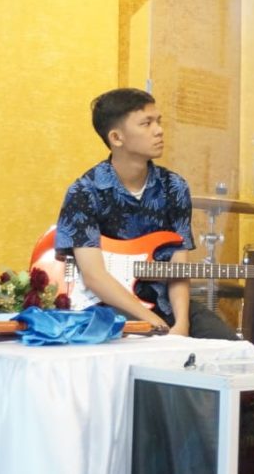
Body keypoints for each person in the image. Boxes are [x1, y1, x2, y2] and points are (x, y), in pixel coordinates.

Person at [56, 88, 237, 339]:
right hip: (107, 306)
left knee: (228, 345)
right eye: (146, 123)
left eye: (158, 121)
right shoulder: (84, 192)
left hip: (165, 304)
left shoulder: (174, 187)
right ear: (117, 137)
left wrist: (181, 323)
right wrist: (152, 321)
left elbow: (177, 268)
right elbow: (94, 276)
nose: (159, 130)